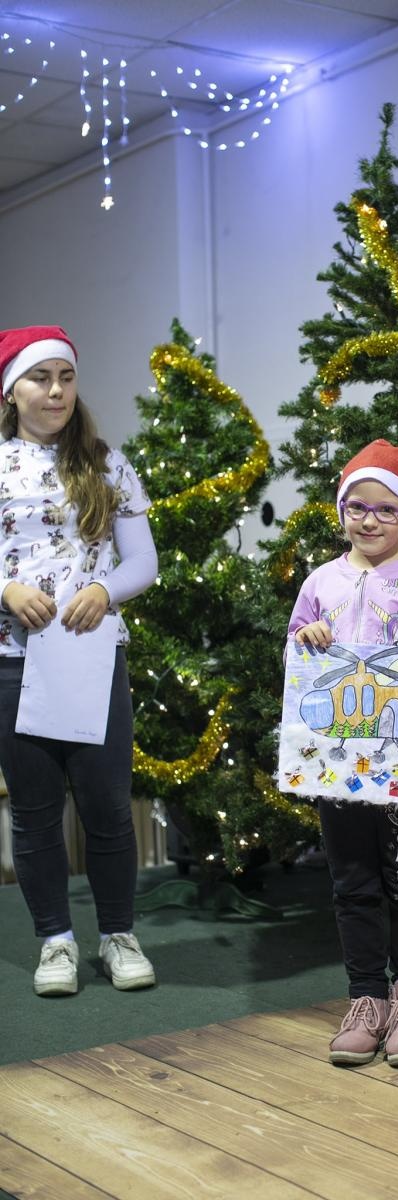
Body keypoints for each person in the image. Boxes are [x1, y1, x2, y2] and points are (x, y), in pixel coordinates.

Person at [288, 438, 398, 1067]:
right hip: (338, 769)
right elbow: (296, 665)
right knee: (352, 883)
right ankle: (367, 1000)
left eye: (386, 510)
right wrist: (304, 636)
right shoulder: (320, 582)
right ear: (341, 511)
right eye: (357, 506)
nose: (369, 520)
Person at [0, 325, 159, 997]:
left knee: (106, 806)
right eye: (40, 379)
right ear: (12, 392)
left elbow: (144, 562)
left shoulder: (103, 460)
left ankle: (118, 935)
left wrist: (103, 589)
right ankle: (55, 942)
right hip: (13, 660)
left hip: (93, 660)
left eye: (65, 377)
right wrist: (4, 589)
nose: (56, 391)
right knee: (34, 812)